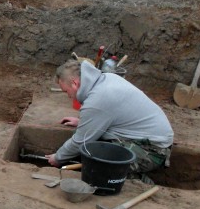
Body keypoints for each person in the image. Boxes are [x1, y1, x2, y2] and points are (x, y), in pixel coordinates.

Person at [45, 59, 173, 182]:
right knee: (88, 148)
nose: (68, 96)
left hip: (152, 150)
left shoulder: (98, 99)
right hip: (144, 138)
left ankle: (139, 182)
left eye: (66, 91)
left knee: (97, 166)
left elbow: (80, 141)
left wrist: (58, 158)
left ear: (75, 83)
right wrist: (82, 122)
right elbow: (111, 114)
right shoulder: (106, 79)